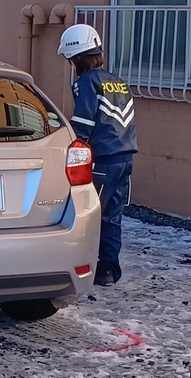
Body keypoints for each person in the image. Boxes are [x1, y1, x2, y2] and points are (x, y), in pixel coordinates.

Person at [57, 23, 138, 287]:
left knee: (91, 216)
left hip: (102, 159)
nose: (71, 64)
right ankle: (109, 271)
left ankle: (90, 269)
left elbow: (83, 124)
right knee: (113, 216)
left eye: (71, 59)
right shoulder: (118, 81)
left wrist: (68, 146)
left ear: (77, 57)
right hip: (125, 156)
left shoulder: (87, 82)